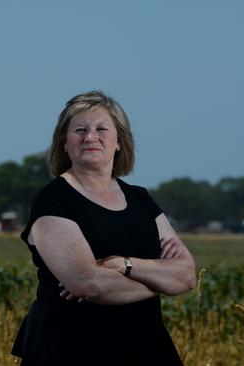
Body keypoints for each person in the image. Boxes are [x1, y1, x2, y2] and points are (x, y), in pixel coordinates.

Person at [11, 90, 196, 365]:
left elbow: (187, 276)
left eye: (101, 129)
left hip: (145, 346)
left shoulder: (140, 198)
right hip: (69, 349)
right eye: (80, 130)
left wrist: (126, 265)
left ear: (119, 141)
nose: (90, 137)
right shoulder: (53, 200)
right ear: (64, 142)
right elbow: (89, 284)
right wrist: (161, 282)